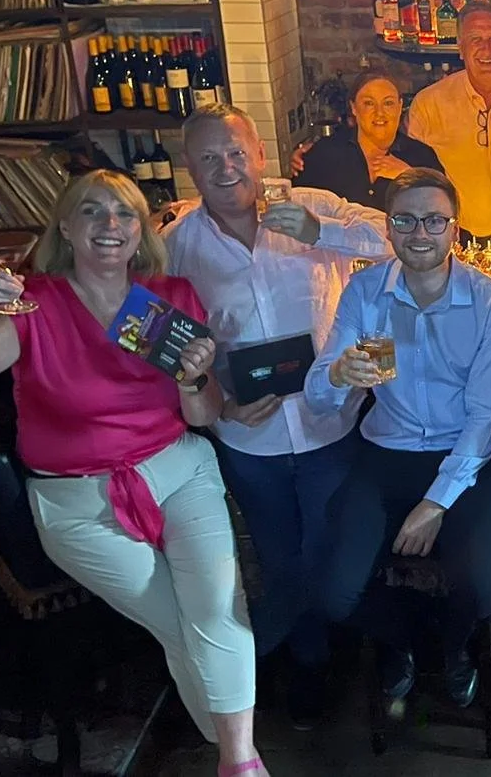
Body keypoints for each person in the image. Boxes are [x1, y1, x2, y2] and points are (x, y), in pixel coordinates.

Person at [0, 170, 268, 777]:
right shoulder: (35, 302)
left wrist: (193, 376)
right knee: (185, 623)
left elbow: (202, 414)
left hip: (179, 471)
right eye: (91, 211)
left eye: (124, 212)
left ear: (140, 230)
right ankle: (238, 754)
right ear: (65, 227)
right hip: (77, 499)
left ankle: (239, 761)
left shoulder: (169, 296)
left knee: (218, 612)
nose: (109, 224)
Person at [162, 103, 390, 727]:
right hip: (248, 435)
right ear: (190, 169)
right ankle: (310, 663)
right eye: (209, 158)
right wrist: (220, 401)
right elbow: (165, 337)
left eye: (236, 153)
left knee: (326, 552)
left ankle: (250, 661)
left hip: (330, 423)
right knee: (279, 557)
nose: (226, 168)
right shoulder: (177, 245)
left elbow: (396, 237)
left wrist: (323, 232)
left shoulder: (314, 206)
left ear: (261, 154)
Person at [307, 168, 491, 718]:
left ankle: (452, 649)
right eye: (405, 220)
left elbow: (487, 417)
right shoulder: (365, 291)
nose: (420, 233)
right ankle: (410, 644)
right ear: (389, 227)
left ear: (455, 229)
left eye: (434, 221)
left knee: (482, 587)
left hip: (466, 462)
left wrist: (435, 503)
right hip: (385, 455)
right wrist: (337, 376)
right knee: (333, 593)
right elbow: (319, 397)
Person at [291, 2, 491, 264]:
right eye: (475, 40)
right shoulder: (431, 103)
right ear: (460, 48)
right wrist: (319, 154)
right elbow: (393, 148)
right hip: (462, 243)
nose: (486, 50)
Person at [294, 68, 445, 207]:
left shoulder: (423, 157)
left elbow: (443, 211)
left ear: (400, 107)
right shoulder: (325, 153)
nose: (379, 113)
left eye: (388, 103)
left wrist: (410, 177)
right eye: (369, 103)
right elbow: (298, 208)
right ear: (354, 107)